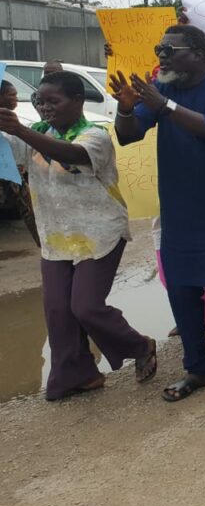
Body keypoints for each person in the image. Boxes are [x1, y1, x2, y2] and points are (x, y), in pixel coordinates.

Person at [110, 24, 205, 402]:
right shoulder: (161, 88)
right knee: (182, 289)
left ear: (197, 53)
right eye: (158, 49)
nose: (160, 56)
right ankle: (197, 369)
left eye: (168, 49)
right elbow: (129, 134)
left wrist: (166, 107)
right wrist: (127, 109)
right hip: (180, 210)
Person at [0, 71, 158, 401]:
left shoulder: (95, 135)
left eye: (53, 101)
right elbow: (11, 153)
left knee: (85, 307)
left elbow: (73, 155)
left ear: (77, 101)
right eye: (40, 102)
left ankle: (140, 345)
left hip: (100, 233)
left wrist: (22, 130)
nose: (45, 108)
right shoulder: (34, 135)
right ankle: (80, 374)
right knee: (58, 310)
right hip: (57, 237)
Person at [0, 79, 39, 247]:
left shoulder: (13, 118)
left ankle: (43, 246)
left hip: (17, 174)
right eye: (11, 95)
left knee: (29, 211)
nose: (15, 99)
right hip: (8, 173)